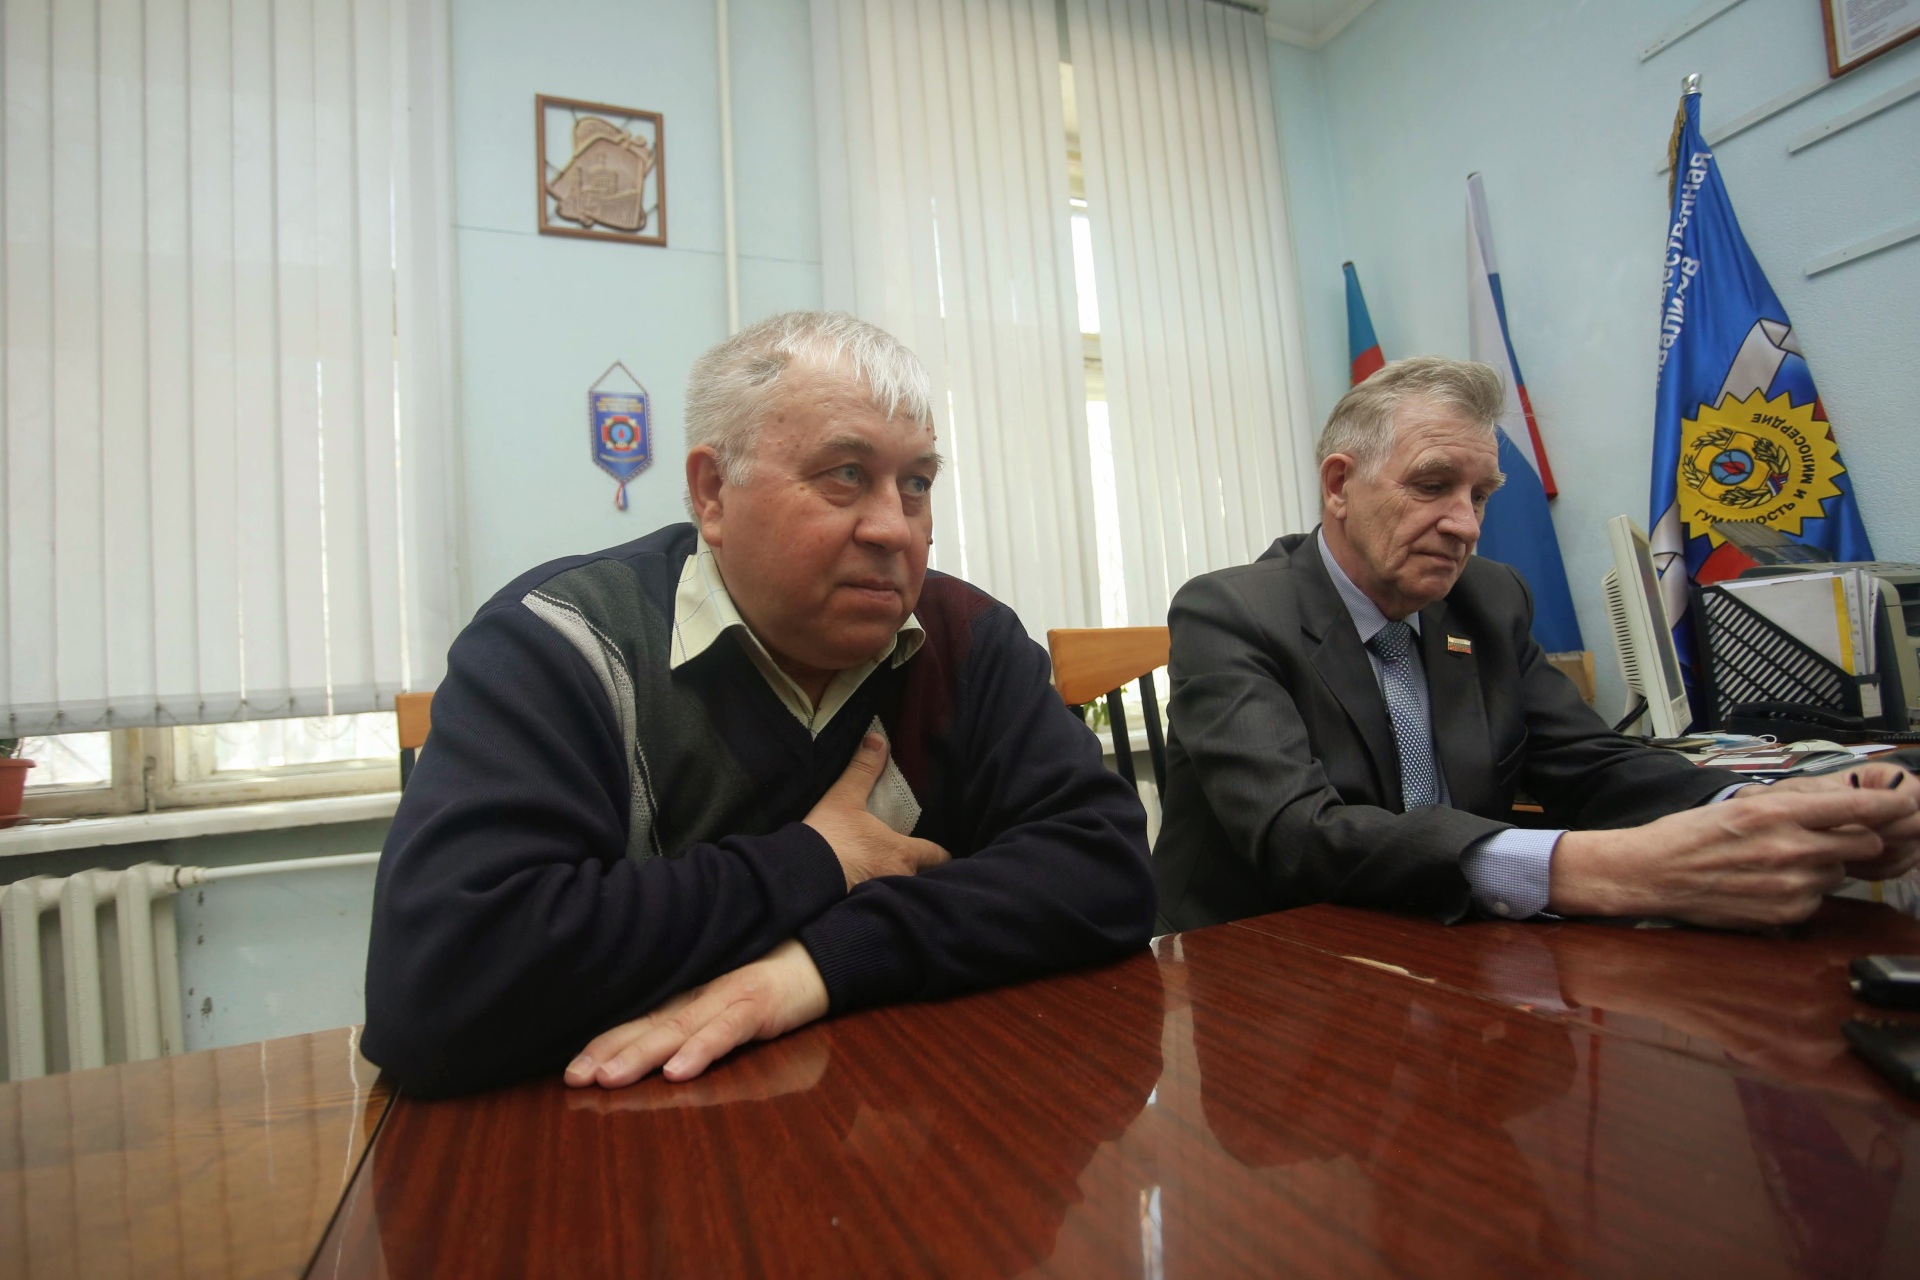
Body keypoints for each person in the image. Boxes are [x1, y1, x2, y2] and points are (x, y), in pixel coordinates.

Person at [363, 311, 1155, 1097]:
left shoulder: (968, 638)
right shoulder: (562, 643)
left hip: (907, 1118)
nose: (895, 528)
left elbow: (1108, 868)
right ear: (712, 492)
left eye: (916, 483)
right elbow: (440, 980)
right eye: (845, 474)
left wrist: (818, 966)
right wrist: (818, 860)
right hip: (620, 1137)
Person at [1153, 356, 1920, 931]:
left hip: (1447, 938)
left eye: (1480, 495)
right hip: (1264, 966)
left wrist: (1757, 807)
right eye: (1432, 485)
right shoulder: (1229, 612)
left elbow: (1589, 763)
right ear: (1338, 486)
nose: (1466, 525)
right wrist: (1595, 869)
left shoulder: (1488, 599)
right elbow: (1298, 836)